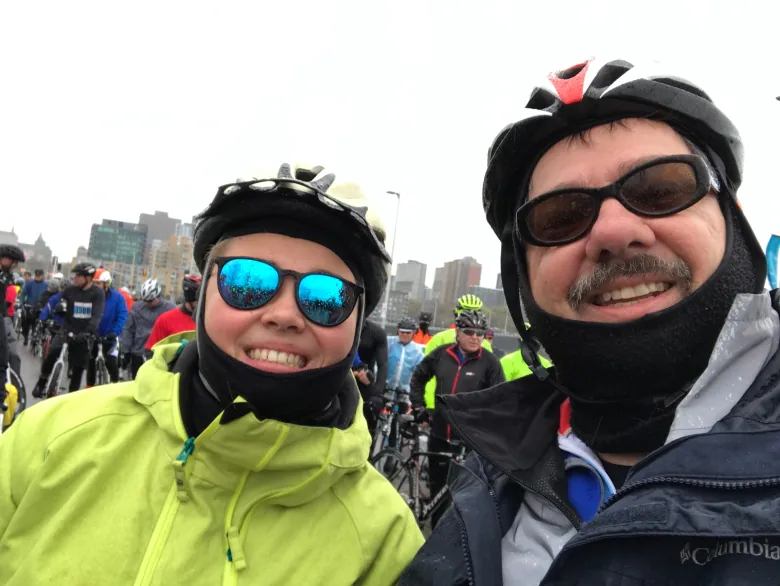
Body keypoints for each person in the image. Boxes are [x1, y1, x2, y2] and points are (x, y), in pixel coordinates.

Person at [402, 58, 780, 586]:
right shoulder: (483, 487)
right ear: (523, 276)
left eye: (660, 189)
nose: (614, 231)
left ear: (733, 217)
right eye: (560, 217)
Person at [0, 162, 423, 584]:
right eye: (247, 282)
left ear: (359, 323)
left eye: (327, 296)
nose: (283, 314)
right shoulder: (48, 440)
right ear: (203, 295)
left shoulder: (388, 542)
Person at [410, 309, 504, 528]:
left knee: (463, 498)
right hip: (439, 435)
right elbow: (418, 377)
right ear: (458, 332)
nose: (475, 337)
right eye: (469, 331)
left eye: (480, 333)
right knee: (438, 494)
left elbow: (500, 401)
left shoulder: (490, 363)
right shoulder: (441, 354)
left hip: (469, 442)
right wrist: (418, 407)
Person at [32, 263, 105, 396]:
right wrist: (52, 315)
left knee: (78, 368)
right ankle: (42, 382)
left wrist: (89, 330)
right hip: (67, 328)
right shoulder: (70, 290)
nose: (75, 278)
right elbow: (59, 303)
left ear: (88, 278)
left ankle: (72, 397)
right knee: (52, 352)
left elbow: (97, 314)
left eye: (78, 276)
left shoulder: (97, 293)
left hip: (84, 333)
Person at [120, 278, 175, 379]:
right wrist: (125, 350)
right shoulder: (137, 307)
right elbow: (129, 329)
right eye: (145, 301)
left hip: (158, 355)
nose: (147, 304)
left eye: (150, 301)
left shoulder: (170, 309)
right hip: (138, 352)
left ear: (157, 297)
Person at [85, 270, 127, 386]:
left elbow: (122, 316)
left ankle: (115, 385)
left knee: (111, 362)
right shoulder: (89, 296)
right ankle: (89, 387)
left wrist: (115, 331)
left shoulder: (118, 298)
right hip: (93, 335)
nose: (95, 286)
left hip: (110, 336)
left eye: (98, 283)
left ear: (106, 283)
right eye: (94, 283)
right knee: (90, 360)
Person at [144, 275, 201, 351]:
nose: (204, 304)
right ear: (190, 298)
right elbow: (150, 352)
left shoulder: (210, 322)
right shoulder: (165, 320)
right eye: (199, 300)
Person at [356, 316, 388, 431]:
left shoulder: (376, 333)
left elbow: (382, 365)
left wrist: (377, 393)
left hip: (364, 381)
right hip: (342, 379)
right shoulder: (341, 326)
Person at [0, 245, 25, 389]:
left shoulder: (7, 276)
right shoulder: (3, 276)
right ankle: (10, 391)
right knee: (7, 356)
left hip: (3, 315)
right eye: (13, 262)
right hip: (3, 318)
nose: (14, 266)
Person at [386, 317, 425, 395]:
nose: (404, 335)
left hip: (405, 393)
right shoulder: (388, 343)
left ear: (413, 333)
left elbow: (419, 373)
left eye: (408, 333)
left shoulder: (417, 351)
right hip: (385, 390)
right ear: (398, 331)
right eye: (402, 332)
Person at [19, 268, 47, 345]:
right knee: (25, 322)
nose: (37, 277)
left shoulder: (46, 284)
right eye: (36, 276)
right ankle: (25, 336)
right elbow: (23, 293)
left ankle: (34, 338)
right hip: (29, 305)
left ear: (42, 276)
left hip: (39, 307)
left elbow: (48, 296)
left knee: (36, 323)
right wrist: (21, 302)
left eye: (39, 276)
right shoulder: (29, 283)